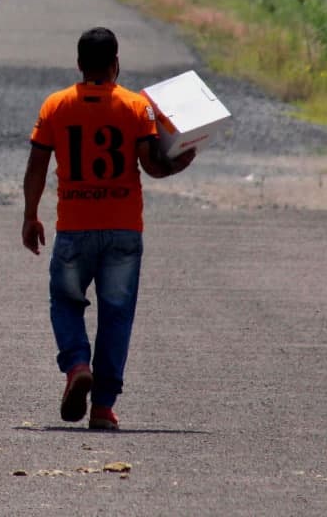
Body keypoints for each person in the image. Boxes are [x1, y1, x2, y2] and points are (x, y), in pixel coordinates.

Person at [22, 27, 196, 431]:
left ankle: (78, 365)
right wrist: (178, 163)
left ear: (80, 65)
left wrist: (31, 215)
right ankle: (102, 407)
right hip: (122, 230)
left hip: (74, 228)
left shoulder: (56, 106)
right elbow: (152, 165)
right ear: (116, 63)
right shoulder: (137, 108)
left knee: (65, 304)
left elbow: (36, 168)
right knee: (117, 315)